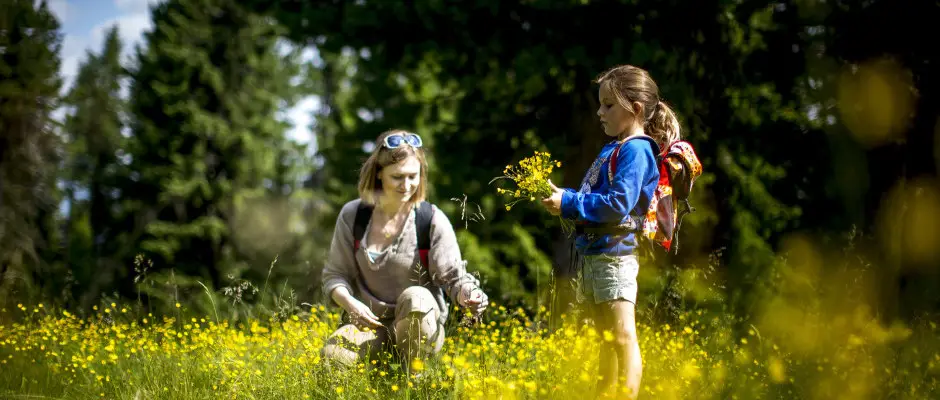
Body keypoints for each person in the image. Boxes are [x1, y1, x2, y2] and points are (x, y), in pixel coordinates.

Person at [541, 64, 682, 399]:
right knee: (606, 339)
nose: (599, 112)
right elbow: (596, 197)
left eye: (608, 105)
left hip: (615, 256)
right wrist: (565, 199)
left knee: (622, 337)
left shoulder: (636, 150)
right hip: (597, 254)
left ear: (635, 109)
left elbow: (618, 203)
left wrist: (570, 203)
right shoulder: (615, 148)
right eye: (600, 104)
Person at [320, 129, 489, 369]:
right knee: (332, 358)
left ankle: (416, 378)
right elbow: (335, 275)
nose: (407, 185)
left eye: (413, 176)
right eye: (397, 177)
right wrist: (350, 304)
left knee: (416, 296)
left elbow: (454, 278)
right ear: (379, 173)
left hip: (419, 326)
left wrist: (470, 294)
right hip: (367, 326)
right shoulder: (353, 215)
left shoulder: (430, 219)